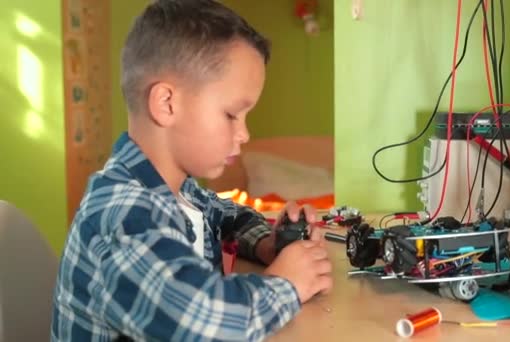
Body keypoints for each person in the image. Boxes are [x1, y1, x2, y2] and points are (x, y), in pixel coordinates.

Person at [51, 0, 333, 340]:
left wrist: (267, 244)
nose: (244, 134)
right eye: (231, 115)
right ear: (167, 104)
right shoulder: (123, 216)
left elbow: (224, 213)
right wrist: (286, 284)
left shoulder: (178, 190)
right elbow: (201, 324)